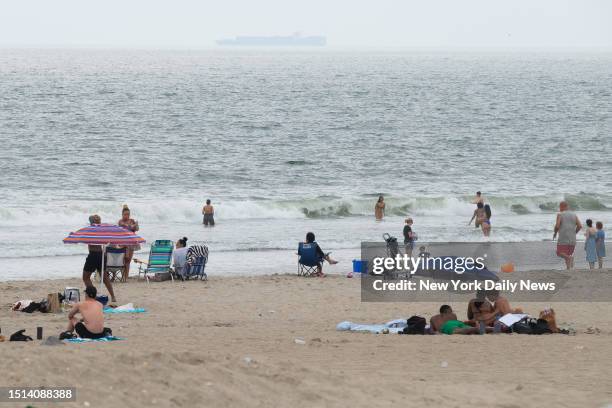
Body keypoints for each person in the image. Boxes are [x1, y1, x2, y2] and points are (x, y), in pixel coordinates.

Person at [83, 215, 117, 306]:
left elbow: (84, 239)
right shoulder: (102, 230)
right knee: (105, 277)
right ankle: (113, 296)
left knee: (86, 277)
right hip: (101, 255)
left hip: (93, 255)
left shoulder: (90, 230)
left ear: (91, 222)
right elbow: (107, 242)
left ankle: (92, 295)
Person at [553, 201, 582, 270]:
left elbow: (557, 226)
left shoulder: (560, 214)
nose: (559, 208)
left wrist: (555, 233)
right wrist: (575, 233)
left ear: (563, 206)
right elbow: (580, 226)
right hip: (572, 239)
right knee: (567, 254)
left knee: (559, 252)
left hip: (563, 238)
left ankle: (569, 258)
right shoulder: (574, 215)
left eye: (560, 207)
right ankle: (568, 268)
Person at [117, 204, 140, 282]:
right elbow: (126, 226)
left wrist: (136, 226)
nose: (127, 216)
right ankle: (124, 275)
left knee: (129, 260)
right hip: (123, 242)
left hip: (132, 241)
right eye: (125, 214)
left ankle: (126, 276)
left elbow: (136, 229)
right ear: (122, 214)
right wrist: (132, 226)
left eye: (128, 214)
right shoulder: (120, 221)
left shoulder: (132, 220)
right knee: (124, 259)